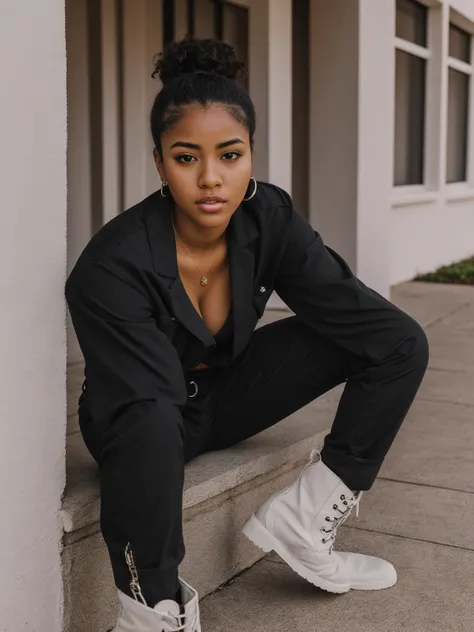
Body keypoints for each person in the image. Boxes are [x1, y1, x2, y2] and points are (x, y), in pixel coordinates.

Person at [65, 37, 429, 632]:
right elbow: (148, 399)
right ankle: (153, 610)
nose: (211, 179)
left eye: (229, 155)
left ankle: (305, 519)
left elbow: (361, 319)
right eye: (186, 158)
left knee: (399, 339)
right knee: (155, 419)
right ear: (158, 162)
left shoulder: (269, 218)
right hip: (134, 419)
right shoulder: (112, 265)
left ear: (251, 155)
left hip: (218, 398)